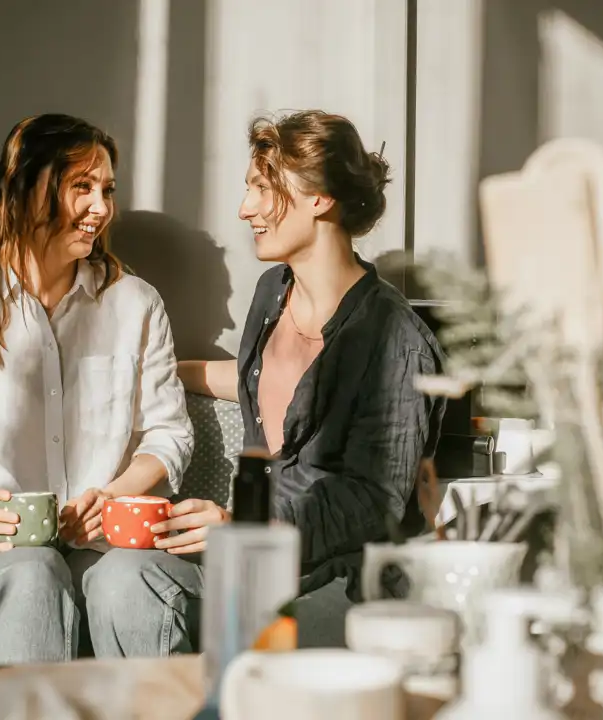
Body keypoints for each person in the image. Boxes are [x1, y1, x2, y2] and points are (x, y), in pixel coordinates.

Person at [83, 110, 446, 655]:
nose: (244, 208)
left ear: (320, 197)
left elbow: (373, 502)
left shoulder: (396, 340)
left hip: (340, 583)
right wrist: (155, 374)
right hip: (253, 566)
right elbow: (264, 379)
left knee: (254, 642)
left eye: (261, 188)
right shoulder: (271, 292)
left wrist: (240, 526)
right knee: (117, 578)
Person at [0, 114, 193, 665]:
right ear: (21, 192)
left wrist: (113, 495)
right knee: (35, 572)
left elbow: (167, 435)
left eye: (107, 189)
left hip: (108, 547)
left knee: (127, 583)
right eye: (81, 187)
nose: (101, 208)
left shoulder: (135, 304)